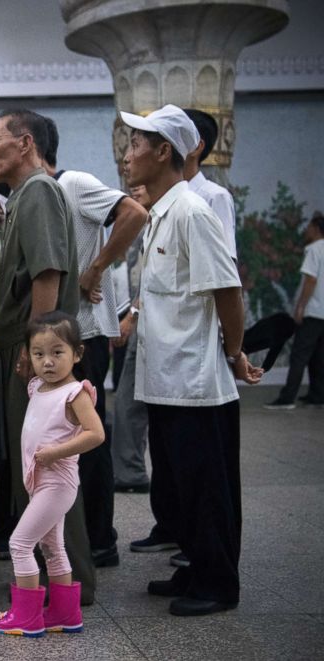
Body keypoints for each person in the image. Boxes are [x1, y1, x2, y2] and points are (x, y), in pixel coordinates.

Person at [120, 104, 262, 616]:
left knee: (207, 489)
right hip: (167, 379)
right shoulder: (163, 212)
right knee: (182, 484)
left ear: (164, 152)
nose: (128, 153)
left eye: (138, 144)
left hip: (196, 383)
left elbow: (228, 291)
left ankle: (217, 584)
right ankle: (195, 571)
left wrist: (232, 353)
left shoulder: (194, 212)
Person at [0, 108, 96, 605]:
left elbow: (47, 275)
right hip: (27, 346)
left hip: (36, 352)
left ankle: (69, 585)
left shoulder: (40, 192)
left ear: (24, 143)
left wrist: (38, 355)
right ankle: (55, 579)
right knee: (37, 469)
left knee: (50, 472)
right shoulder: (22, 198)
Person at [41, 116, 149, 568]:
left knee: (89, 438)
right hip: (59, 337)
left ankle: (101, 539)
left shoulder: (75, 183)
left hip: (83, 334)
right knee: (64, 439)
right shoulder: (35, 196)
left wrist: (97, 266)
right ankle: (75, 536)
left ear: (30, 146)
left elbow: (134, 214)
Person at [0, 311, 104, 637]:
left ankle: (26, 616)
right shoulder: (38, 386)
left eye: (58, 353)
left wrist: (56, 452)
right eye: (39, 354)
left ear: (77, 353)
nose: (48, 362)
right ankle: (65, 614)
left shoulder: (75, 393)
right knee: (53, 547)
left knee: (20, 543)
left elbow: (95, 434)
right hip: (40, 483)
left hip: (57, 483)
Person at [111, 186, 153, 495]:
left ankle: (131, 471)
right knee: (128, 400)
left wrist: (132, 315)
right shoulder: (139, 223)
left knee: (130, 403)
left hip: (139, 317)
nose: (135, 191)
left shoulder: (158, 220)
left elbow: (150, 280)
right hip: (131, 315)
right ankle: (129, 469)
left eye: (141, 187)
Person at [265, 212, 324, 408]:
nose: (306, 230)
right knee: (318, 355)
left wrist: (300, 306)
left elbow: (311, 280)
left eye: (309, 227)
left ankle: (287, 398)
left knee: (299, 355)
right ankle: (318, 395)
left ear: (316, 229)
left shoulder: (314, 249)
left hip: (314, 310)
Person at [183, 109, 237, 262]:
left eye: (176, 136)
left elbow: (226, 262)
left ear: (196, 147)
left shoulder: (214, 196)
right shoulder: (163, 197)